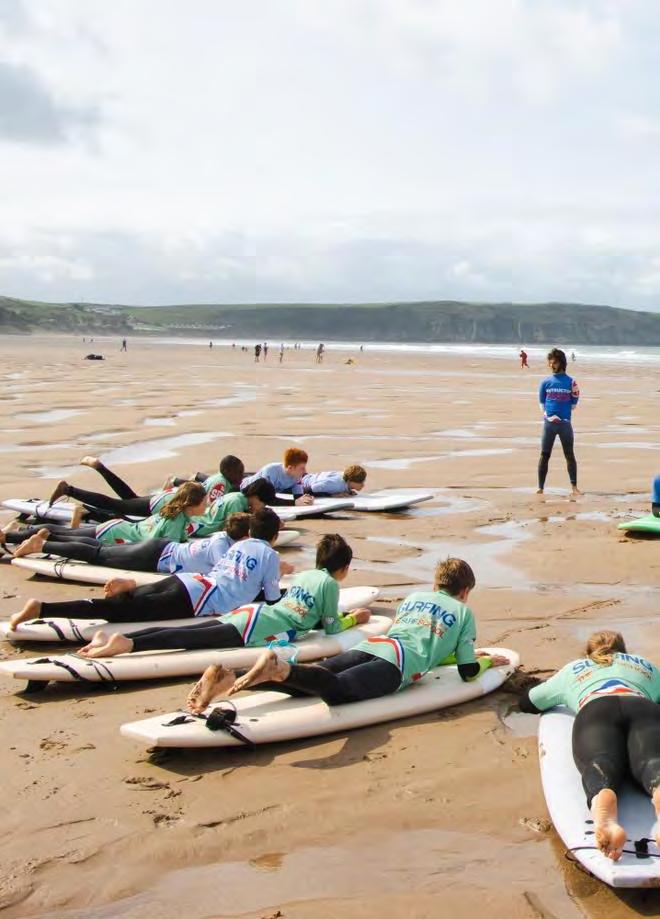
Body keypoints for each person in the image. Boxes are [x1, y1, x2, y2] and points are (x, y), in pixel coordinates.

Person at [185, 557, 509, 714]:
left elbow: (432, 648)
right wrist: (483, 662)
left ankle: (229, 676)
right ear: (465, 591)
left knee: (308, 683)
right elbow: (467, 672)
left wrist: (457, 657)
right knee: (338, 691)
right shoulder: (463, 613)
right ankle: (278, 667)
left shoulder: (413, 598)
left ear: (436, 584)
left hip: (375, 646)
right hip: (397, 666)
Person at [78, 533, 371, 662]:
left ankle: (119, 639)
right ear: (343, 568)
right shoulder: (330, 584)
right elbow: (331, 627)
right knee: (188, 639)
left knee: (191, 632)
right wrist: (353, 619)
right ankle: (128, 644)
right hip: (258, 628)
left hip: (251, 613)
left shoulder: (306, 575)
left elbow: (309, 615)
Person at [8, 509, 284, 632]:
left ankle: (132, 587)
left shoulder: (239, 545)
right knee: (116, 611)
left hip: (187, 581)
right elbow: (272, 601)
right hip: (196, 600)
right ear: (273, 536)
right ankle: (42, 609)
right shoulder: (269, 555)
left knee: (131, 600)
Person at [519, 631, 660, 861]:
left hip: (596, 710)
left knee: (601, 762)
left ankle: (604, 802)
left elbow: (529, 702)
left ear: (588, 652)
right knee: (653, 763)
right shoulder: (645, 665)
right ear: (624, 651)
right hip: (643, 708)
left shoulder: (572, 669)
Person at [9, 512, 253, 575]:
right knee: (98, 554)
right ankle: (42, 546)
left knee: (101, 549)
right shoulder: (222, 548)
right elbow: (228, 575)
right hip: (153, 557)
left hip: (158, 548)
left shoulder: (220, 538)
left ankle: (49, 538)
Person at [2, 481, 209, 551]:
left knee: (65, 534)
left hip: (118, 527)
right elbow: (156, 545)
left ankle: (17, 533)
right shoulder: (176, 519)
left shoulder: (177, 513)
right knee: (65, 536)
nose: (207, 504)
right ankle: (11, 536)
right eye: (204, 501)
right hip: (114, 534)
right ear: (192, 504)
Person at [47, 454, 245, 521]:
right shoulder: (220, 484)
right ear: (229, 472)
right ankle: (69, 490)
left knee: (128, 499)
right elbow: (208, 509)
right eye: (239, 472)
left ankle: (99, 467)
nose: (241, 476)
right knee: (116, 505)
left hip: (167, 498)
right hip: (164, 504)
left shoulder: (221, 479)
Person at [537, 347, 581, 496]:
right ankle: (540, 488)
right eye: (550, 363)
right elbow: (542, 403)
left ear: (562, 363)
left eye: (554, 362)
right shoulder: (545, 382)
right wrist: (549, 415)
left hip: (565, 424)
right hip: (549, 425)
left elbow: (574, 403)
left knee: (569, 455)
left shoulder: (571, 382)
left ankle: (574, 487)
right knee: (544, 455)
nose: (551, 365)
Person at [241, 448, 314, 506]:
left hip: (270, 491)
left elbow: (298, 497)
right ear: (290, 468)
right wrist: (294, 503)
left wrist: (306, 500)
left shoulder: (296, 475)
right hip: (245, 489)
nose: (305, 471)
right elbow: (270, 500)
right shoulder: (270, 472)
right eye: (302, 468)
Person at [301, 465, 367, 497]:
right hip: (301, 482)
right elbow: (308, 489)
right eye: (360, 482)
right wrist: (331, 495)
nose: (363, 485)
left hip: (308, 476)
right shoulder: (335, 485)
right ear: (350, 481)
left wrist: (348, 490)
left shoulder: (346, 477)